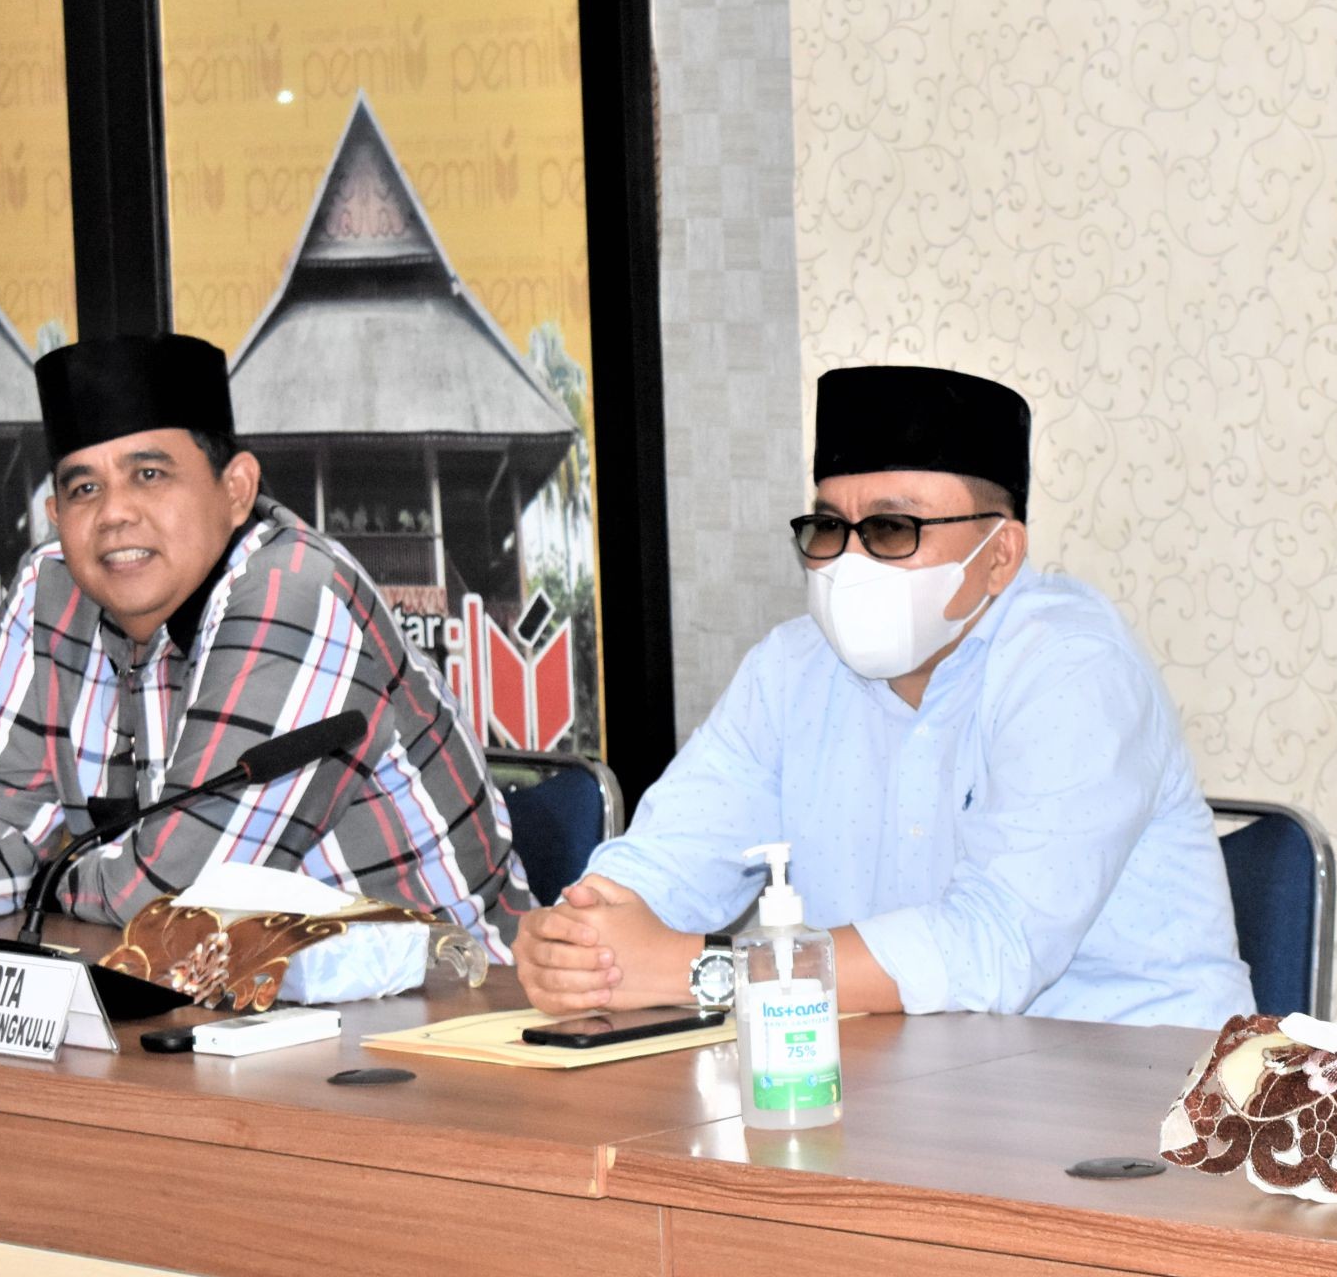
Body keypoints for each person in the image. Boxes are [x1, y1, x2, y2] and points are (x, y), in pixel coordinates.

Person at [513, 364, 1252, 1027]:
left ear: (1000, 554)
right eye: (829, 527)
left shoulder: (1073, 667)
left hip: (1142, 1095)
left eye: (892, 529)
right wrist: (580, 940)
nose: (850, 559)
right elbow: (668, 861)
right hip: (912, 1086)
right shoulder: (791, 669)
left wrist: (694, 968)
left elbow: (993, 946)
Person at [0, 334, 516, 956]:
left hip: (443, 996)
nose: (114, 513)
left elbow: (176, 895)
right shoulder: (52, 584)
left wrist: (43, 882)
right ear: (56, 517)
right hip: (211, 999)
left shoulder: (297, 590)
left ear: (236, 490)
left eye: (149, 474)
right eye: (84, 488)